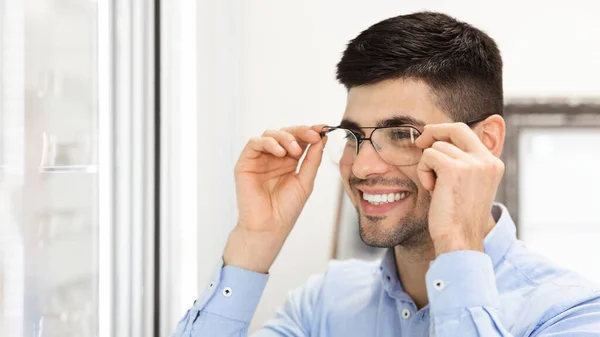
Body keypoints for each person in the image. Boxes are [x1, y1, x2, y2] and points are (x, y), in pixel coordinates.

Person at [172, 11, 600, 336]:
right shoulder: (323, 305)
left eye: (401, 133)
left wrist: (458, 245)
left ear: (485, 142)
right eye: (353, 136)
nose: (361, 167)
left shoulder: (570, 312)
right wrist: (254, 241)